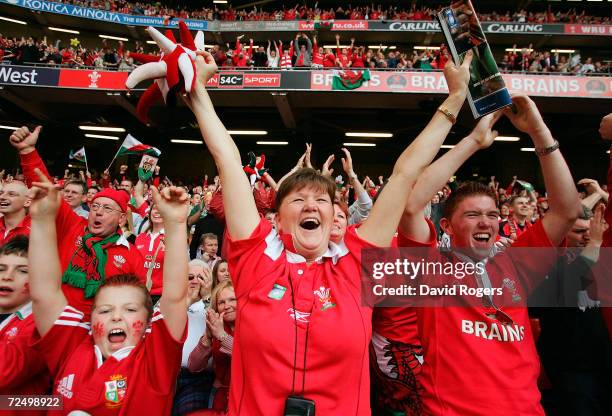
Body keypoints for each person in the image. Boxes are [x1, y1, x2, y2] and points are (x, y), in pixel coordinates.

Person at [183, 48, 476, 415]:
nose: (311, 205)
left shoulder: (357, 261)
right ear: (275, 220)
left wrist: (454, 100)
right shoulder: (256, 258)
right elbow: (227, 158)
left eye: (322, 200)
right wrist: (198, 93)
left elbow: (404, 173)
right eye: (298, 200)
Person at [397, 94, 580, 415]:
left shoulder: (517, 263)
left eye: (493, 214)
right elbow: (411, 203)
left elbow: (566, 211)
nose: (486, 221)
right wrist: (473, 141)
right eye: (472, 215)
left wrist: (539, 132)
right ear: (446, 226)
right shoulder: (428, 268)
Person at [27, 170, 189, 415]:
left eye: (130, 309)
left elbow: (175, 297)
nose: (116, 316)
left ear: (147, 321)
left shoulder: (155, 361)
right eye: (104, 310)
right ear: (90, 320)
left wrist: (176, 225)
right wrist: (40, 220)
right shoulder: (73, 345)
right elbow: (43, 293)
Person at [8, 126, 146, 318]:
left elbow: (137, 302)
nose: (98, 212)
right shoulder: (72, 226)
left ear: (122, 218)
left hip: (94, 333)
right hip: (53, 322)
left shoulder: (131, 255)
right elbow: (45, 188)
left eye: (107, 209)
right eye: (95, 206)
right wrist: (27, 152)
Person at [0, 236, 51, 415]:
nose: (7, 276)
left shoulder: (40, 325)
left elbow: (3, 372)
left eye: (22, 271)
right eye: (1, 269)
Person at [188, 280, 237, 413]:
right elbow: (194, 367)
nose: (227, 306)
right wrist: (207, 339)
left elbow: (247, 360)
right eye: (221, 302)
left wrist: (222, 337)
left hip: (245, 394)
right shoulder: (216, 326)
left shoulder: (252, 326)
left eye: (232, 300)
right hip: (219, 393)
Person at [173, 259, 214, 416]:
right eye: (190, 277)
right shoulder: (169, 304)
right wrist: (188, 299)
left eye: (201, 278)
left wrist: (208, 296)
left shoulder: (213, 304)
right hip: (166, 376)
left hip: (197, 379)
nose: (195, 281)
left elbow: (219, 328)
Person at [135, 205, 165, 304]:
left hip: (161, 296)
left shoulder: (172, 239)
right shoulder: (140, 237)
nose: (157, 212)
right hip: (139, 292)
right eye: (155, 209)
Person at [0, 180, 31, 245]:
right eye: (1, 193)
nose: (2, 197)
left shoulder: (35, 231)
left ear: (27, 202)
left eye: (11, 194)